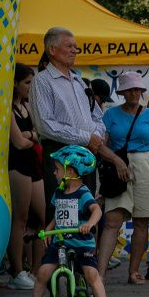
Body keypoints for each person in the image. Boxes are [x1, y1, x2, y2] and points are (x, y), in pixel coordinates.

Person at [19, 146, 113, 297]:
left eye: (57, 169)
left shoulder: (83, 193)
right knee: (43, 272)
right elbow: (58, 215)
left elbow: (97, 210)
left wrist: (90, 224)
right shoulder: (59, 193)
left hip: (81, 243)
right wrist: (48, 229)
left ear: (70, 171)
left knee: (91, 274)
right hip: (60, 241)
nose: (54, 172)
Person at [28, 27, 105, 210]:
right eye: (69, 46)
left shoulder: (78, 81)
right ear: (52, 50)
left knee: (86, 211)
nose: (74, 50)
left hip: (86, 155)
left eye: (75, 47)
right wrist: (87, 137)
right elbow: (45, 125)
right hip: (60, 156)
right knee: (64, 213)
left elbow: (97, 117)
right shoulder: (43, 81)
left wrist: (96, 135)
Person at [97, 71, 149, 283]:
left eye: (138, 89)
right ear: (123, 92)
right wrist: (116, 162)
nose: (135, 92)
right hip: (118, 166)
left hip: (146, 165)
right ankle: (99, 273)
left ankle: (133, 271)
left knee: (142, 221)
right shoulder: (110, 115)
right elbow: (101, 145)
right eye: (131, 89)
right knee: (112, 220)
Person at [7, 63, 44, 290]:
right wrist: (32, 136)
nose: (30, 87)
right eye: (27, 83)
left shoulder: (27, 106)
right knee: (19, 219)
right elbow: (18, 143)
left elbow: (37, 133)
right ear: (15, 84)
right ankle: (17, 270)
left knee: (41, 217)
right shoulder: (7, 109)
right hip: (17, 164)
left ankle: (36, 269)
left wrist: (29, 134)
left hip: (33, 164)